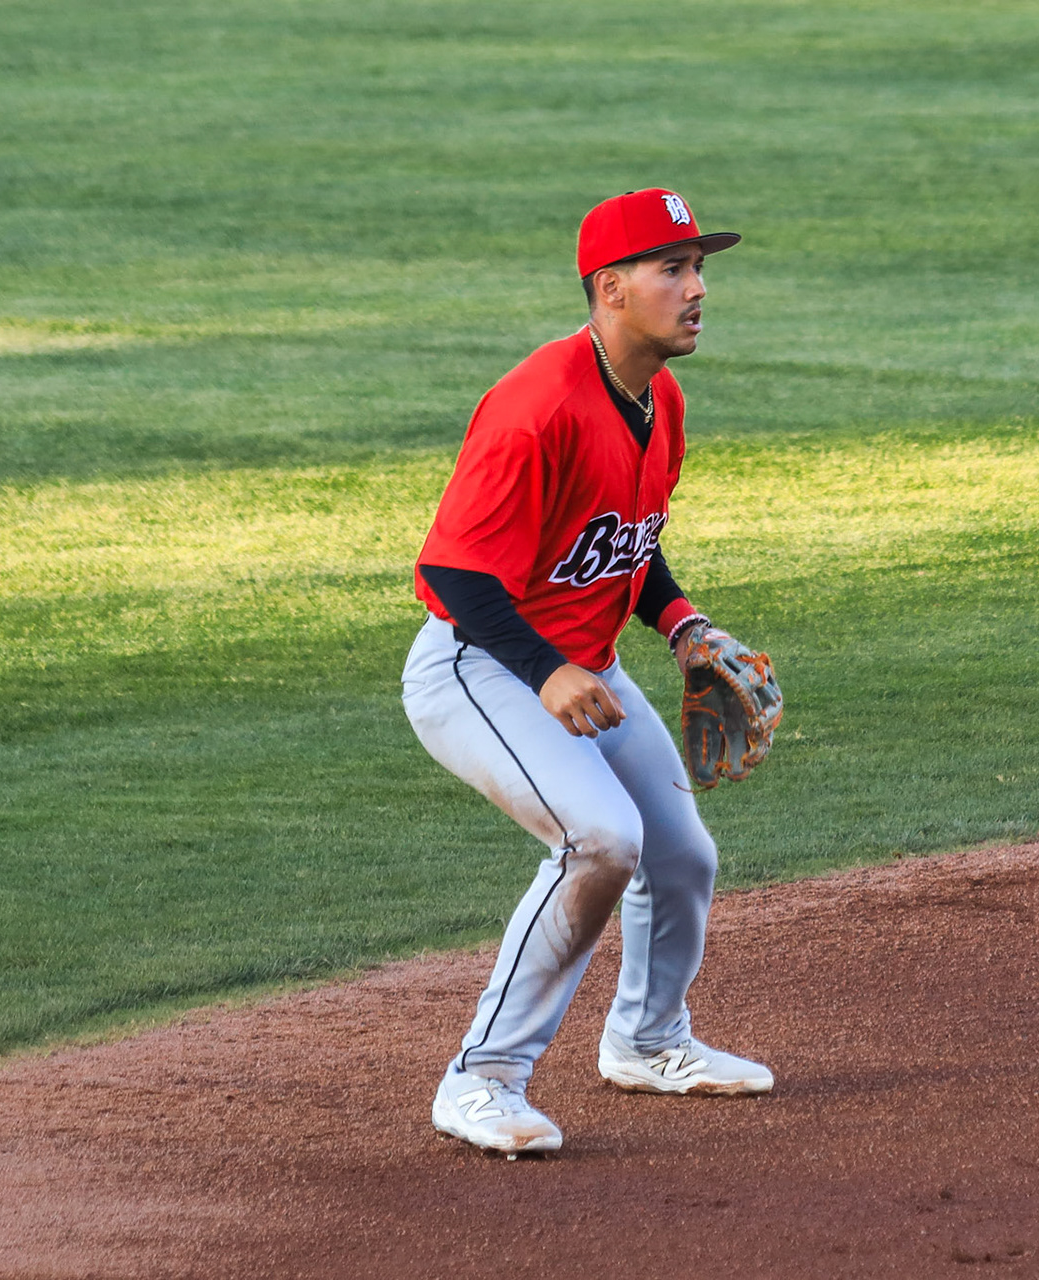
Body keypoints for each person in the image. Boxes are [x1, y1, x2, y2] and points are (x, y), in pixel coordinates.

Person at [400, 188, 772, 1157]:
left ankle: (650, 1041)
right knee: (600, 838)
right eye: (673, 269)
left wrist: (683, 622)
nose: (697, 289)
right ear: (611, 287)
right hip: (480, 665)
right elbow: (452, 570)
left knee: (682, 853)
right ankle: (481, 1078)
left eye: (701, 268)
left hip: (582, 665)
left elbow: (623, 544)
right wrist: (546, 669)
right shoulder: (537, 404)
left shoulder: (659, 397)